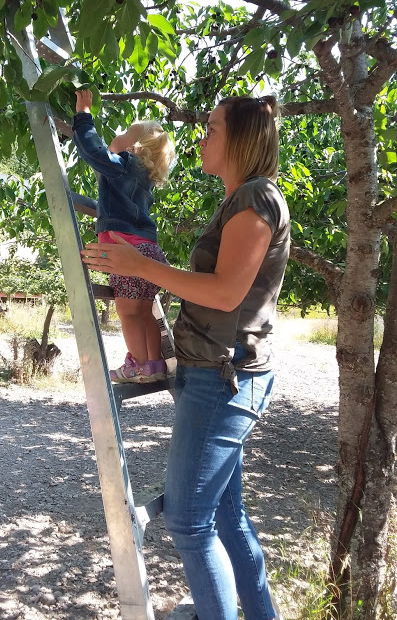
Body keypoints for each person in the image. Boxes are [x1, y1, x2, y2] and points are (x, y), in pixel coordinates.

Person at [81, 94, 289, 620]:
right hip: (223, 370)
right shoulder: (242, 199)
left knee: (191, 522)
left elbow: (223, 294)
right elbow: (218, 288)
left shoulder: (256, 199)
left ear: (239, 140)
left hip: (222, 377)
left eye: (213, 127)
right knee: (225, 513)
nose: (202, 136)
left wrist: (140, 266)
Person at [72, 90, 175, 383]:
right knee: (143, 312)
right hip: (149, 250)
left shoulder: (125, 165)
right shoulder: (145, 179)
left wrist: (84, 116)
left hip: (127, 252)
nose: (119, 135)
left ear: (136, 148)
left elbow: (94, 152)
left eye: (127, 133)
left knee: (128, 314)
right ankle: (154, 364)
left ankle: (138, 365)